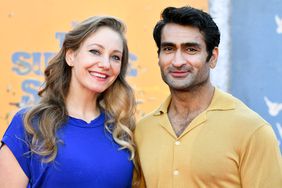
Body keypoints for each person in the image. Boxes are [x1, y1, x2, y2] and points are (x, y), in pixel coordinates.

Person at [135, 6, 282, 187]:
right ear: (159, 57)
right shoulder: (143, 131)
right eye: (168, 49)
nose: (178, 61)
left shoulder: (252, 130)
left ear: (213, 57)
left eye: (191, 50)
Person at [0, 16, 139, 188]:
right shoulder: (29, 124)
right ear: (71, 56)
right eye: (95, 51)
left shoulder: (123, 130)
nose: (105, 64)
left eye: (115, 57)